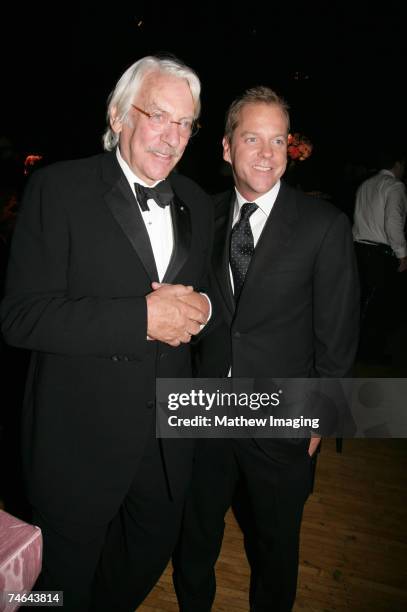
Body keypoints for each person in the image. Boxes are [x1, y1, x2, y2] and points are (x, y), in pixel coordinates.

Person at [0, 55, 213, 611]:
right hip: (78, 441)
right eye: (159, 116)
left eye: (186, 123)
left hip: (167, 440)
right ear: (119, 116)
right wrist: (141, 319)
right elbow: (22, 317)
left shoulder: (197, 201)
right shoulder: (57, 188)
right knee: (58, 590)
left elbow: (206, 292)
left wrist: (205, 309)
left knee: (145, 555)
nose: (173, 137)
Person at [172, 86, 359, 611]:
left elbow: (338, 335)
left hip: (282, 419)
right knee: (197, 535)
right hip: (206, 412)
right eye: (252, 138)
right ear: (227, 148)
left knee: (275, 547)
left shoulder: (325, 226)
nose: (267, 153)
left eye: (278, 140)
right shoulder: (201, 218)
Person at [353, 148, 407, 363]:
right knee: (381, 307)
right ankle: (371, 352)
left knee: (363, 302)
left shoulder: (366, 184)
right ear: (397, 164)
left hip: (359, 249)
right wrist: (402, 254)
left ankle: (358, 348)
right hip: (380, 253)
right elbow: (393, 221)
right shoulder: (395, 186)